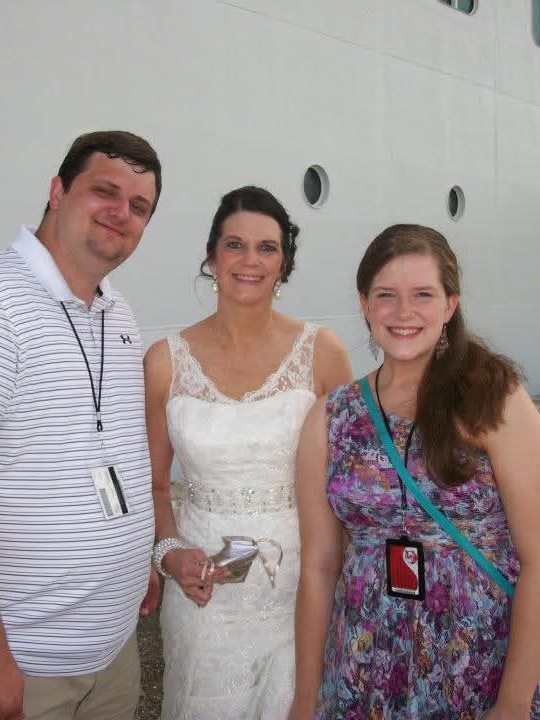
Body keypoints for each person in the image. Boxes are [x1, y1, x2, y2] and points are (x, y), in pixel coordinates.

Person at [0, 130, 163, 720]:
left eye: (140, 206)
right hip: (17, 662)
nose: (122, 213)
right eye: (105, 191)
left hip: (110, 653)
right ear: (57, 190)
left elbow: (104, 449)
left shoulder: (116, 311)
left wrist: (130, 555)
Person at [290, 225, 540, 720]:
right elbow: (318, 566)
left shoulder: (493, 401)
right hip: (364, 660)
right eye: (386, 295)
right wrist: (306, 699)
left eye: (423, 294)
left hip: (476, 661)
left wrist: (514, 704)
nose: (403, 312)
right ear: (364, 302)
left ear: (450, 305)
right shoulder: (332, 417)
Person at [144, 186, 353, 720]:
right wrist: (168, 554)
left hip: (301, 588)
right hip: (204, 596)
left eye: (268, 248)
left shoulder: (322, 354)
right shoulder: (165, 362)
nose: (250, 261)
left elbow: (349, 483)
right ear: (211, 257)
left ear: (284, 264)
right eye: (235, 245)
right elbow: (156, 486)